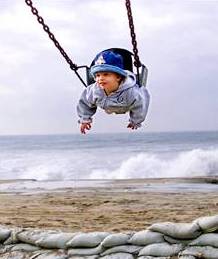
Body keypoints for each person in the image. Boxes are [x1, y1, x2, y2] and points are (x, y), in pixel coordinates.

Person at [77, 49, 150, 134]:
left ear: (118, 77)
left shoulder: (131, 92)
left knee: (139, 99)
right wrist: (85, 119)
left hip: (126, 105)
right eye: (97, 75)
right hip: (107, 106)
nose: (100, 78)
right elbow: (84, 103)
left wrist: (136, 121)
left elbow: (141, 104)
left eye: (106, 74)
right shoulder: (94, 91)